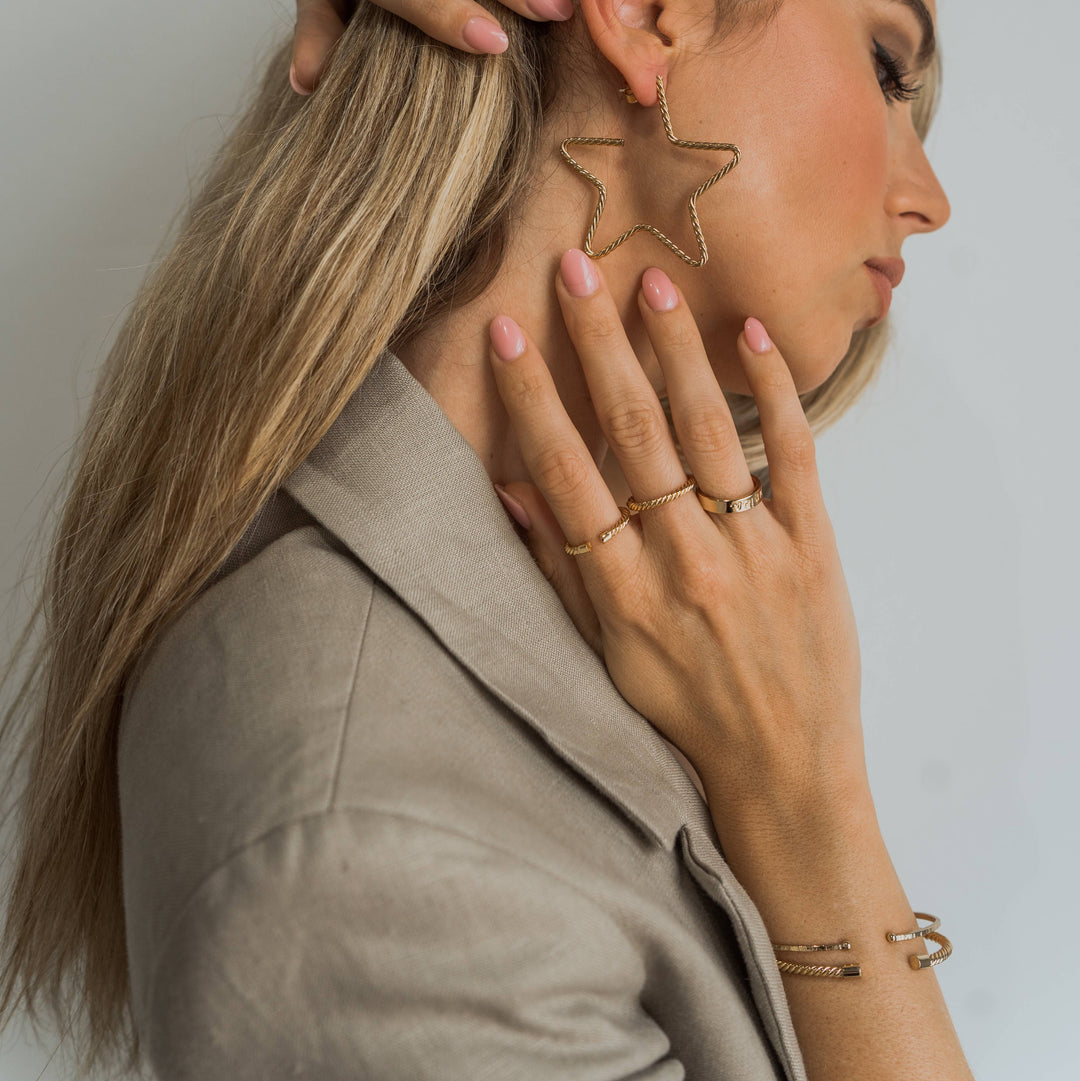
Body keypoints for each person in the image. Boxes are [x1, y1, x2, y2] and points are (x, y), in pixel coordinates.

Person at [0, 0, 974, 1078]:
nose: (929, 200)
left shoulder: (661, 646)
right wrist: (815, 814)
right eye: (887, 66)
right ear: (651, 17)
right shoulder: (369, 859)